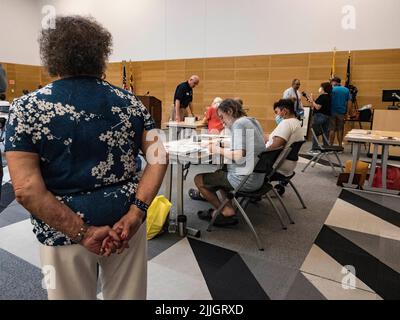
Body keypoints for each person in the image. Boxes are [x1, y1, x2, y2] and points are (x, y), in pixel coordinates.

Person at [5, 16, 168, 300]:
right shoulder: (132, 103)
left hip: (62, 228)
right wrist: (136, 213)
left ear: (52, 55)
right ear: (101, 55)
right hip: (126, 224)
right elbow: (159, 158)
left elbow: (26, 190)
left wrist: (83, 232)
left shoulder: (26, 109)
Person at [194, 99, 266, 227]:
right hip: (258, 178)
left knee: (199, 179)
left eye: (222, 117)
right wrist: (220, 144)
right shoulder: (252, 121)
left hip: (243, 180)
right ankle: (227, 206)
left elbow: (238, 156)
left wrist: (217, 149)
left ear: (230, 111)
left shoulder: (238, 124)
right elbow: (253, 144)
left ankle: (226, 211)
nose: (221, 122)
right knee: (220, 172)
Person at [265, 99, 304, 176]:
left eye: (278, 112)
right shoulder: (296, 122)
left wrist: (259, 154)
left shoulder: (286, 123)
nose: (277, 115)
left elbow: (275, 147)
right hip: (288, 165)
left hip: (276, 166)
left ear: (285, 111)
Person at [307, 82, 332, 154]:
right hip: (327, 116)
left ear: (323, 88)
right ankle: (326, 148)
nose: (320, 88)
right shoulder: (328, 96)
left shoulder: (322, 96)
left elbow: (318, 107)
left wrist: (312, 101)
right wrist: (313, 101)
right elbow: (320, 104)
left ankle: (315, 149)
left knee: (315, 132)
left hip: (319, 116)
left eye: (321, 87)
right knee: (325, 133)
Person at [329, 76, 351, 147]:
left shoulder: (331, 89)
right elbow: (349, 102)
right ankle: (340, 146)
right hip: (341, 113)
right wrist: (347, 113)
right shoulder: (346, 90)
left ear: (334, 82)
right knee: (340, 129)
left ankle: (330, 146)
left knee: (332, 129)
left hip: (332, 112)